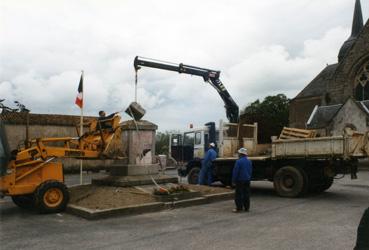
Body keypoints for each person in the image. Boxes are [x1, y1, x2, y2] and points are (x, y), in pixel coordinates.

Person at [232, 147, 253, 213]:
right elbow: (250, 170)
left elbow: (235, 172)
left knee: (238, 194)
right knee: (246, 194)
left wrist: (233, 180)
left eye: (239, 153)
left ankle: (239, 208)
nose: (238, 154)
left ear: (241, 154)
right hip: (247, 180)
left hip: (240, 180)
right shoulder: (249, 161)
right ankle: (247, 208)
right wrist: (249, 177)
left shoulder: (238, 161)